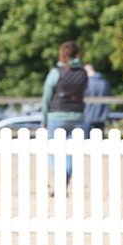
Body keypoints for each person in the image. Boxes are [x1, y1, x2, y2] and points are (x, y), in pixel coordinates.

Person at [41, 41, 87, 181]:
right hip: (77, 115)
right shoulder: (83, 72)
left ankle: (59, 177)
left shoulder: (56, 72)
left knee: (53, 150)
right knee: (72, 152)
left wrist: (44, 119)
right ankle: (66, 176)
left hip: (57, 114)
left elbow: (46, 97)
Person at [84, 64, 112, 131]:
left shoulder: (86, 83)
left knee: (86, 139)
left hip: (88, 115)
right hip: (102, 115)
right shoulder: (105, 82)